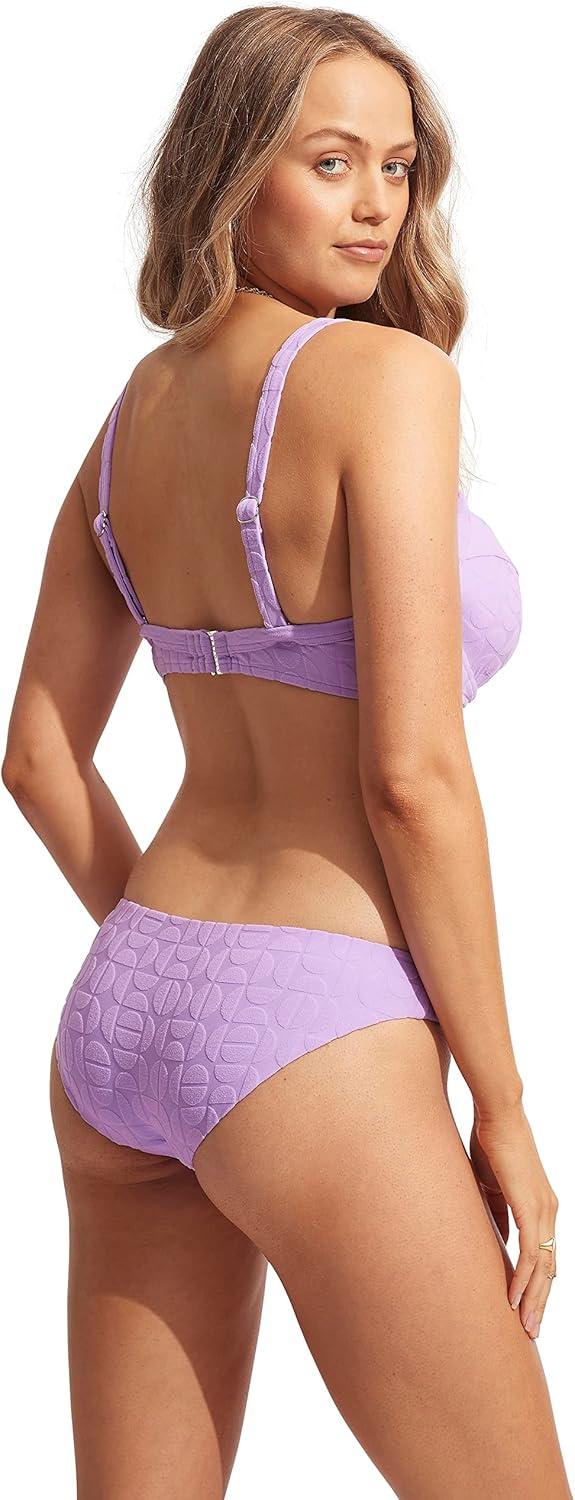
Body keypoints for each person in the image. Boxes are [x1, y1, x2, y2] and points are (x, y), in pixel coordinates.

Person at [2, 7, 570, 1497]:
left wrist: (177, 966)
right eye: (331, 161)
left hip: (123, 1009)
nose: (378, 202)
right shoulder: (388, 383)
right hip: (317, 1023)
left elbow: (38, 754)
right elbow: (411, 780)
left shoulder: (135, 412)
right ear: (230, 167)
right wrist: (505, 1107)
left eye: (400, 164)